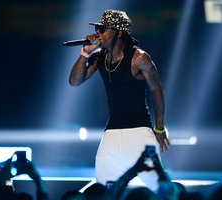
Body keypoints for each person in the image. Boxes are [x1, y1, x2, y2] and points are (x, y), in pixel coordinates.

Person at [69, 9, 170, 190]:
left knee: (160, 189)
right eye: (98, 28)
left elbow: (157, 91)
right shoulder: (99, 57)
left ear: (118, 32)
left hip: (140, 131)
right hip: (112, 133)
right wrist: (85, 53)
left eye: (103, 28)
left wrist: (160, 128)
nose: (98, 33)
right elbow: (74, 81)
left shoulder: (139, 58)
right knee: (102, 189)